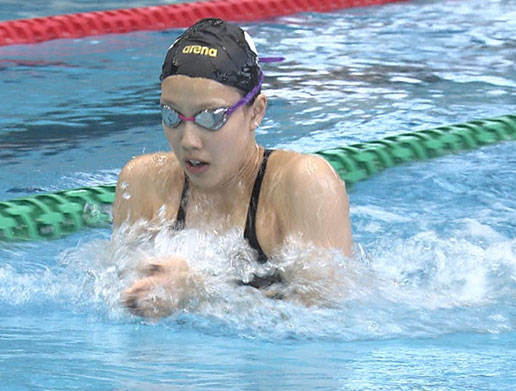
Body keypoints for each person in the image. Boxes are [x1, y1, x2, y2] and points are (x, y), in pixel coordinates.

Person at [113, 18, 353, 318]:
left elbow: (330, 318)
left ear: (255, 113)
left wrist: (198, 290)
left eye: (211, 117)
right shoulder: (143, 183)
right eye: (172, 115)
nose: (188, 141)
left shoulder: (303, 184)